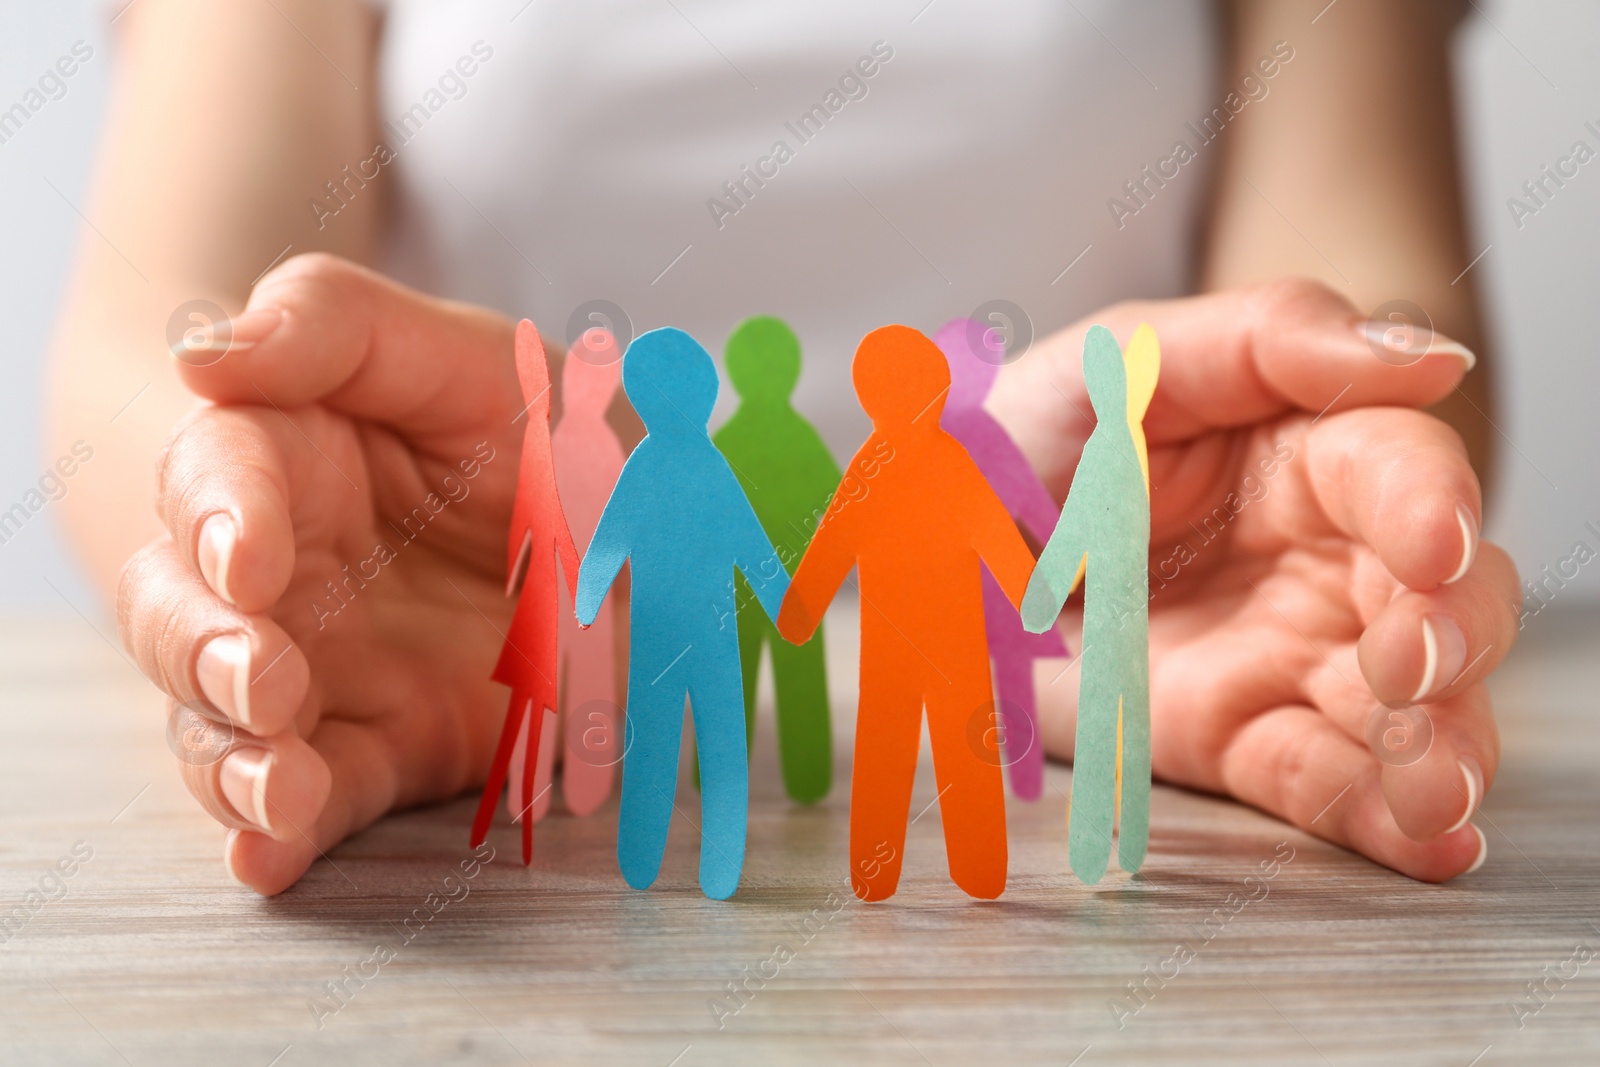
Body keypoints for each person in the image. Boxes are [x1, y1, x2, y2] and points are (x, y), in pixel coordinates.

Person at [73, 1, 1514, 893]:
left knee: (874, 743)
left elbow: (1368, 291)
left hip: (1072, 641)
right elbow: (173, 315)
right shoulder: (831, 469)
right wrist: (248, 487)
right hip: (540, 634)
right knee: (821, 745)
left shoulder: (884, 466)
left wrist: (1318, 453)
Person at [778, 325, 1036, 901]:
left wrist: (800, 613)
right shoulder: (936, 461)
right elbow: (994, 536)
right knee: (934, 743)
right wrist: (1030, 594)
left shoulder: (887, 465)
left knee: (893, 745)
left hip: (923, 639)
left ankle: (954, 867)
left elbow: (832, 546)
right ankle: (961, 865)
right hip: (943, 641)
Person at [574, 327, 789, 900]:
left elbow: (610, 544)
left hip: (673, 639)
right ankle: (655, 862)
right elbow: (753, 546)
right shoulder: (692, 464)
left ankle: (666, 864)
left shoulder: (665, 464)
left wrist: (588, 597)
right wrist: (784, 604)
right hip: (690, 634)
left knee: (667, 742)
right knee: (706, 747)